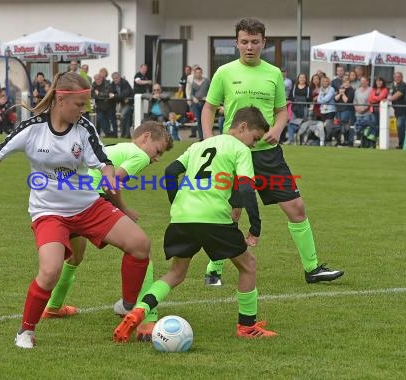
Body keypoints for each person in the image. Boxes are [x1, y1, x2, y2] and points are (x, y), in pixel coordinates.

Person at [0, 72, 151, 349]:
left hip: (88, 206)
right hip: (49, 212)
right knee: (50, 271)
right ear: (60, 99)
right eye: (79, 105)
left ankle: (127, 305)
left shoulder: (84, 129)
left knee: (140, 244)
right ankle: (25, 332)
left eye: (85, 105)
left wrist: (108, 175)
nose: (83, 111)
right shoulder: (31, 128)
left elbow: (103, 161)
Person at [113, 106, 277, 342]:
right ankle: (247, 327)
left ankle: (140, 311)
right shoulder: (240, 149)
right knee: (248, 265)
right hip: (213, 218)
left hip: (182, 216)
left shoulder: (198, 145)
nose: (253, 144)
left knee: (176, 274)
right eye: (255, 138)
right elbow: (246, 188)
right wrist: (255, 226)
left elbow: (170, 171)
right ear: (243, 128)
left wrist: (176, 203)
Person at [200, 17, 343, 286]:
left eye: (255, 42)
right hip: (234, 154)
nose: (249, 47)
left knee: (296, 208)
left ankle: (312, 269)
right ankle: (214, 269)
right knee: (232, 212)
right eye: (244, 42)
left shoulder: (274, 73)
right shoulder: (225, 72)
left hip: (268, 155)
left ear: (263, 43)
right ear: (237, 43)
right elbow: (208, 107)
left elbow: (281, 111)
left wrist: (277, 129)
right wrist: (209, 139)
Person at [41, 121, 173, 342]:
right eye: (158, 151)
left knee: (75, 256)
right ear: (146, 137)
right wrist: (124, 209)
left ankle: (53, 307)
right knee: (141, 251)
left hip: (63, 196)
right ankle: (147, 320)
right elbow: (113, 182)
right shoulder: (138, 155)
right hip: (89, 197)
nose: (156, 158)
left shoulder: (118, 147)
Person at [388, 72, 406, 149]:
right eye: (395, 77)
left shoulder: (403, 85)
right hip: (397, 110)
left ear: (402, 77)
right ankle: (401, 143)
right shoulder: (394, 86)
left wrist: (387, 99)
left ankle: (402, 144)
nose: (397, 78)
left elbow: (395, 96)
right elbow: (390, 95)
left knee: (400, 126)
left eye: (399, 76)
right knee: (399, 127)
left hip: (403, 110)